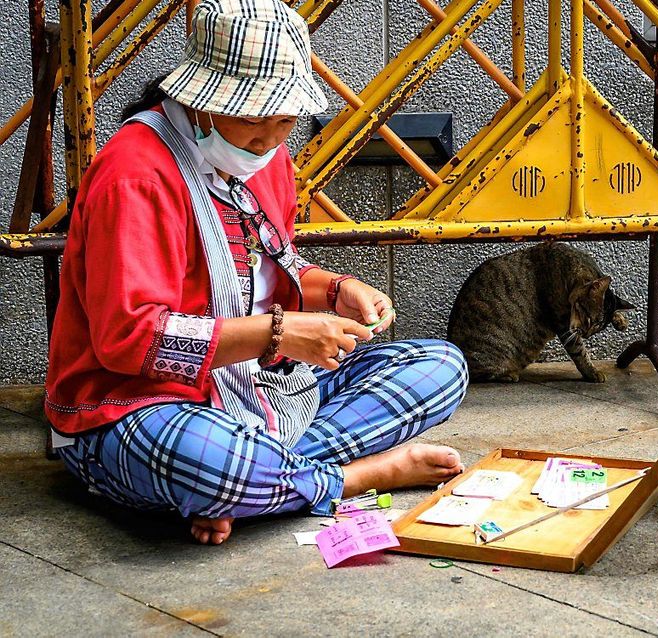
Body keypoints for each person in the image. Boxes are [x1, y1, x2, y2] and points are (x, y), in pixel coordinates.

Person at [44, 0, 468, 545]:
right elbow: (127, 341)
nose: (268, 139)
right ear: (198, 102)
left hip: (261, 390)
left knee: (440, 366)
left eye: (285, 120)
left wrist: (338, 291)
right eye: (251, 118)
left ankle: (251, 485)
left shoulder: (267, 163)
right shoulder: (136, 176)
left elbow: (268, 270)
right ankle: (349, 477)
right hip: (136, 404)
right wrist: (279, 332)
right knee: (204, 457)